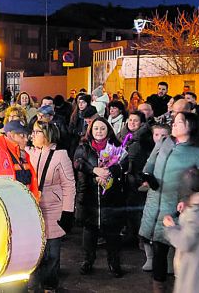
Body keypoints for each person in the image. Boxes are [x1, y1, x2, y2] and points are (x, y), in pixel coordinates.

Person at [139, 112, 199, 292]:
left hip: (178, 206)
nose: (174, 124)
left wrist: (188, 197)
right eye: (175, 121)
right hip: (155, 201)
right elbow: (151, 161)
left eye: (180, 122)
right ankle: (158, 287)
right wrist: (147, 176)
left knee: (182, 250)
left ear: (191, 126)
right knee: (158, 248)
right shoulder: (165, 141)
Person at [73, 117, 126, 278]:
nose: (99, 131)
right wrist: (94, 171)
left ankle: (113, 262)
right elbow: (77, 163)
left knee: (112, 234)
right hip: (90, 196)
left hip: (111, 198)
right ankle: (88, 260)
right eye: (96, 128)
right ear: (91, 130)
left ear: (108, 129)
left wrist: (110, 172)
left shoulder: (116, 146)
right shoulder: (84, 146)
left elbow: (125, 164)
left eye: (102, 128)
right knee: (89, 232)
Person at [27, 120, 76, 292]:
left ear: (47, 135)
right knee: (34, 251)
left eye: (37, 132)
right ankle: (33, 286)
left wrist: (68, 212)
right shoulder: (28, 153)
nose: (32, 135)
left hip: (54, 209)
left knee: (52, 253)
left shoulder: (60, 155)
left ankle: (50, 286)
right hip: (32, 209)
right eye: (32, 132)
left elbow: (69, 185)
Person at [118, 111, 154, 248]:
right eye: (130, 120)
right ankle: (129, 234)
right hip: (124, 178)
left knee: (137, 209)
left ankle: (140, 239)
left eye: (136, 121)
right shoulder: (121, 135)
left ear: (142, 123)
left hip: (137, 178)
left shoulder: (145, 138)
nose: (132, 123)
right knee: (126, 208)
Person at [0, 120, 39, 199]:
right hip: (7, 204)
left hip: (25, 202)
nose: (26, 139)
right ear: (10, 135)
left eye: (26, 135)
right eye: (22, 135)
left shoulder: (23, 153)